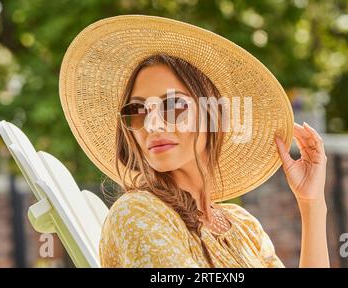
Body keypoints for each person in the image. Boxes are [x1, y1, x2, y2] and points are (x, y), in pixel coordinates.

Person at [59, 15, 330, 268]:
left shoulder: (244, 225)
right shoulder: (138, 213)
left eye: (173, 105)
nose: (153, 124)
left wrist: (311, 202)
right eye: (138, 111)